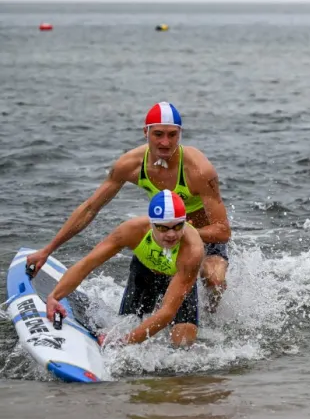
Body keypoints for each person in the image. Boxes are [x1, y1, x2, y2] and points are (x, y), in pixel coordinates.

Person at [26, 102, 232, 311]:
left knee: (214, 280)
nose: (165, 142)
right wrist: (48, 250)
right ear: (146, 132)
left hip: (203, 236)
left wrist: (183, 232)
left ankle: (210, 316)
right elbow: (90, 208)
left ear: (180, 134)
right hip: (165, 234)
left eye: (172, 135)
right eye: (158, 134)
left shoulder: (199, 171)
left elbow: (223, 231)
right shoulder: (130, 165)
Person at [45, 191, 203, 347]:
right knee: (125, 325)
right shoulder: (132, 231)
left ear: (185, 222)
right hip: (145, 273)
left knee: (183, 344)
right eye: (163, 228)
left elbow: (168, 311)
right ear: (151, 224)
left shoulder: (192, 250)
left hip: (177, 277)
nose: (171, 234)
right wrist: (54, 296)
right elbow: (88, 263)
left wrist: (124, 341)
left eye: (177, 226)